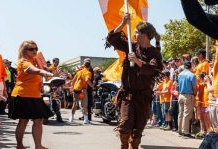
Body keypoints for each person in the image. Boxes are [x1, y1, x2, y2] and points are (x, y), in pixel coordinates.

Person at [106, 13, 162, 149]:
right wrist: (123, 23)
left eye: (136, 32)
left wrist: (137, 61)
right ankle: (123, 146)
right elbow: (112, 39)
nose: (134, 34)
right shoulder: (130, 47)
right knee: (125, 125)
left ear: (144, 35)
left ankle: (133, 146)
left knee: (138, 130)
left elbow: (155, 70)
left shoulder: (155, 53)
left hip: (143, 96)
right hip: (127, 95)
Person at [8, 40, 54, 149]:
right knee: (23, 121)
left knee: (38, 120)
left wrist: (42, 84)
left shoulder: (36, 61)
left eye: (36, 49)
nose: (34, 51)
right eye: (31, 49)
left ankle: (38, 146)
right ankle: (19, 145)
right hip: (22, 94)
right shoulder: (23, 61)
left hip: (35, 95)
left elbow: (38, 76)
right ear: (24, 51)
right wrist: (44, 72)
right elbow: (31, 70)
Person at [69, 59, 94, 124]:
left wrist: (72, 88)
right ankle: (85, 120)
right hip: (82, 90)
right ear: (89, 66)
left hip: (76, 89)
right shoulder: (88, 72)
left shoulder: (79, 72)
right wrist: (92, 86)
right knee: (84, 105)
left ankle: (71, 118)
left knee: (75, 104)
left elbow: (73, 81)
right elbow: (87, 80)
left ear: (84, 65)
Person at [177, 60, 197, 138]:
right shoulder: (192, 75)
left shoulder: (180, 74)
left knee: (180, 113)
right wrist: (195, 94)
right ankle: (185, 132)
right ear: (190, 66)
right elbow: (194, 87)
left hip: (181, 95)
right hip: (188, 95)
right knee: (186, 114)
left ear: (184, 66)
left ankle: (180, 130)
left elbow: (178, 85)